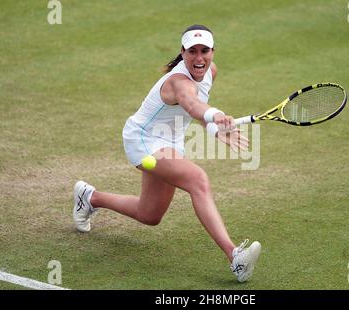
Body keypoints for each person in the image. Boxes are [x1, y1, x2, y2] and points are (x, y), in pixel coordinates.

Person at [73, 24, 261, 282]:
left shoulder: (210, 72)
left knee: (149, 215)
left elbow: (195, 111)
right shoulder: (177, 81)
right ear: (182, 53)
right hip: (144, 141)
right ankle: (235, 257)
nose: (199, 58)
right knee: (198, 180)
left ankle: (89, 197)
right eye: (192, 51)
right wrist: (216, 115)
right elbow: (192, 104)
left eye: (204, 51)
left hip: (170, 142)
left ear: (213, 52)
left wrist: (214, 129)